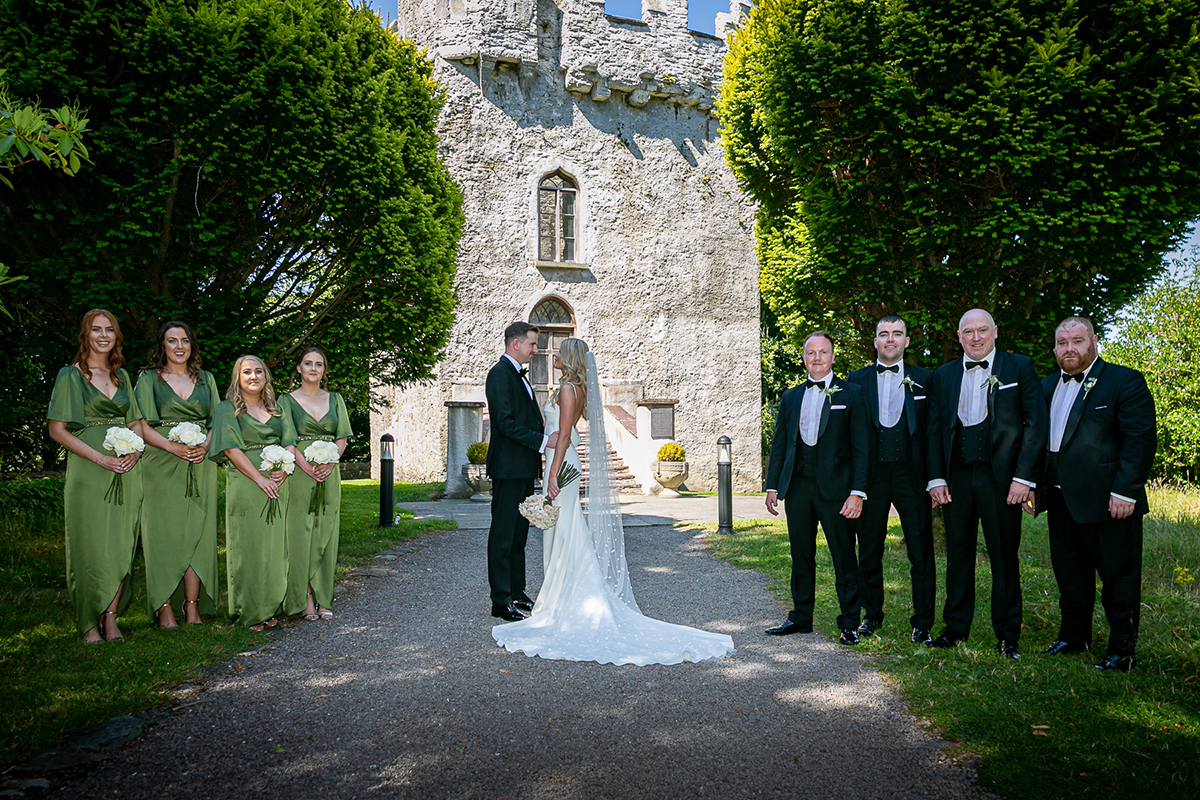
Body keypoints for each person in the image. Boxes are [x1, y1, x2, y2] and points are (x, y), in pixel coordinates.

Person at [492, 339, 735, 664]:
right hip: (562, 461)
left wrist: (551, 474)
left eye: (561, 352)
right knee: (563, 530)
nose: (555, 356)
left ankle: (563, 602)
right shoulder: (576, 387)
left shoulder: (567, 388)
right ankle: (560, 598)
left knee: (563, 531)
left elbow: (563, 435)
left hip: (560, 463)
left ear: (570, 358)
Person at [1032, 317, 1156, 672]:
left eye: (1077, 341)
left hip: (1110, 502)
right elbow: (1039, 444)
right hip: (1059, 500)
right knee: (1070, 574)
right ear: (1054, 348)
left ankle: (1121, 650)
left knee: (1119, 578)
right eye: (1062, 342)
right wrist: (1034, 487)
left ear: (1094, 342)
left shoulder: (1123, 381)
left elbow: (1140, 440)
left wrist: (1125, 492)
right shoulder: (1045, 386)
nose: (1069, 348)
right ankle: (1073, 637)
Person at [926, 309, 1047, 659]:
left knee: (1004, 556)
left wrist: (1024, 479)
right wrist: (936, 478)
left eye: (982, 330)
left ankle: (1008, 635)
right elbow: (934, 430)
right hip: (957, 478)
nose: (975, 337)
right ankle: (955, 627)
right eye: (968, 331)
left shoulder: (1019, 367)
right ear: (959, 336)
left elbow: (1035, 425)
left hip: (1003, 481)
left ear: (995, 331)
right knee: (958, 555)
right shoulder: (944, 374)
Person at [764, 331, 870, 644]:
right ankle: (800, 618)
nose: (817, 358)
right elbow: (780, 445)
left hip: (837, 491)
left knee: (843, 557)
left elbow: (862, 447)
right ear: (803, 358)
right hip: (798, 488)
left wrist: (858, 491)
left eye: (823, 352)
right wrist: (772, 486)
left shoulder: (852, 394)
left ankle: (850, 622)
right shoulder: (791, 396)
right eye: (811, 353)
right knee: (801, 555)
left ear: (833, 357)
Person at [47, 309, 144, 644]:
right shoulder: (70, 376)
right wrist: (100, 458)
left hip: (127, 471)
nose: (103, 336)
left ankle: (112, 618)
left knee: (121, 543)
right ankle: (89, 622)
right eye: (96, 330)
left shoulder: (123, 377)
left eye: (110, 331)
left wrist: (136, 449)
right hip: (89, 470)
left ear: (116, 336)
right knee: (89, 545)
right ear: (85, 335)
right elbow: (57, 430)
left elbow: (134, 423)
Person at [847, 315, 937, 644]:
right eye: (883, 334)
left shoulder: (926, 380)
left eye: (897, 334)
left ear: (906, 341)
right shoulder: (855, 381)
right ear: (874, 341)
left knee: (920, 550)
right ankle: (871, 615)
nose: (890, 339)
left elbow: (934, 432)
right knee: (869, 550)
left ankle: (923, 622)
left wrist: (934, 478)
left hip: (912, 477)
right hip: (871, 478)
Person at [135, 321, 221, 628]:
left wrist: (205, 446)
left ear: (192, 345)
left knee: (199, 531)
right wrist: (172, 448)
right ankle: (164, 605)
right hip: (160, 460)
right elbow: (140, 425)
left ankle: (193, 605)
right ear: (163, 346)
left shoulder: (205, 379)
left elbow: (216, 422)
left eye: (185, 340)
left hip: (200, 460)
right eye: (172, 341)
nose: (179, 346)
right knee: (163, 532)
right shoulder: (148, 379)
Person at [209, 355, 297, 630]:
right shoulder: (227, 409)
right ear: (238, 377)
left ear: (266, 377)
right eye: (246, 372)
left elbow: (290, 443)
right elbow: (230, 449)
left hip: (277, 482)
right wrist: (259, 478)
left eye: (259, 371)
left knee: (273, 547)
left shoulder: (277, 409)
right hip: (247, 482)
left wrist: (284, 468)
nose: (253, 376)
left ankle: (269, 606)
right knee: (248, 547)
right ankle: (249, 610)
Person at [484, 322, 558, 621]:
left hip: (524, 468)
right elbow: (505, 423)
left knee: (519, 536)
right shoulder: (499, 374)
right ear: (515, 344)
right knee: (503, 536)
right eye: (531, 344)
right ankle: (500, 600)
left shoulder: (519, 376)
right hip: (508, 468)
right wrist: (543, 441)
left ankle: (517, 592)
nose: (535, 349)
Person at [279, 346, 352, 621]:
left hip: (329, 472)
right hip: (299, 473)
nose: (313, 368)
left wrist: (331, 463)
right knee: (300, 532)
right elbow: (287, 438)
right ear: (298, 368)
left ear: (324, 370)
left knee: (326, 531)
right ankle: (305, 596)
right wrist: (307, 467)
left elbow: (342, 435)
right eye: (307, 363)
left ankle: (324, 595)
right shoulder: (286, 401)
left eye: (318, 364)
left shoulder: (335, 399)